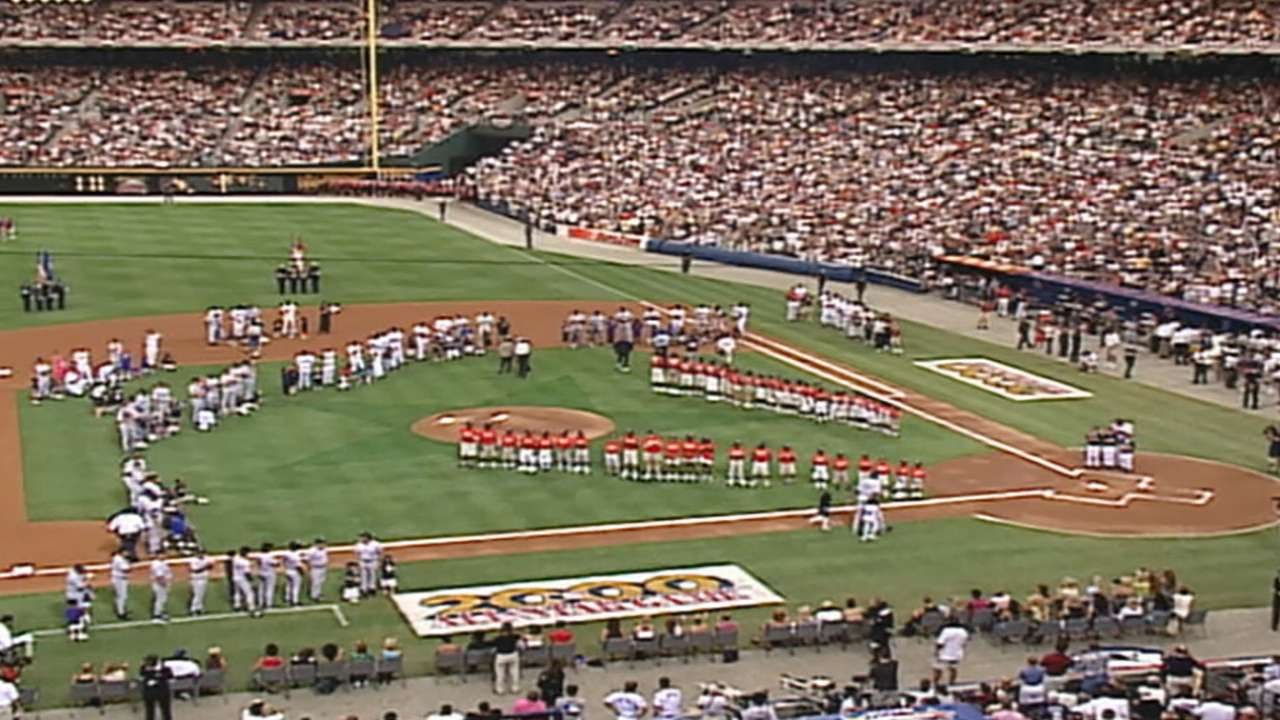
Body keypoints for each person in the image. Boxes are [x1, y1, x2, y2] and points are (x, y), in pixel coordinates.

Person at [933, 618, 969, 685]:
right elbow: (964, 644)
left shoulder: (946, 631)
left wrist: (936, 651)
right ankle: (952, 683)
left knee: (938, 670)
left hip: (944, 654)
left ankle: (935, 684)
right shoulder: (963, 631)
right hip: (956, 655)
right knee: (953, 669)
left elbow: (940, 643)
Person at [139, 654, 173, 720]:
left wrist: (157, 678)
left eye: (148, 662)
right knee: (149, 712)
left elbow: (171, 679)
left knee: (166, 711)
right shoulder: (143, 668)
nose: (146, 663)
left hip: (162, 692)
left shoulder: (165, 669)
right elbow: (141, 678)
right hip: (149, 693)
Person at [492, 621, 522, 695]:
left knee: (500, 674)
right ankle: (515, 688)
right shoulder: (515, 636)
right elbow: (520, 639)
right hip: (513, 655)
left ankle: (500, 690)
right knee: (515, 672)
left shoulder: (497, 638)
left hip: (501, 656)